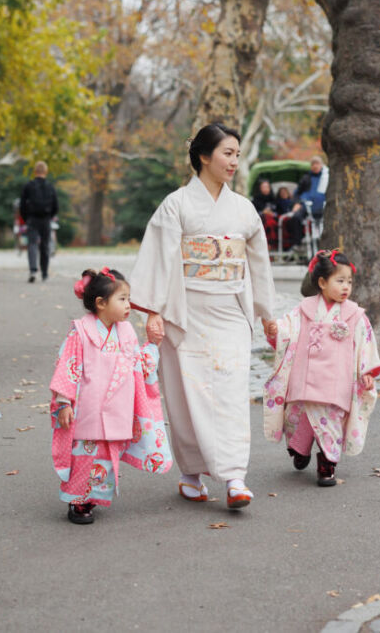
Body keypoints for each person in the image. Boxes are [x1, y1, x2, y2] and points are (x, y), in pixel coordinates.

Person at [130, 122, 276, 510]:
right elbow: (159, 261)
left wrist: (266, 313)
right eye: (227, 153)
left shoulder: (243, 209)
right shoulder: (176, 205)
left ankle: (233, 477)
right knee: (185, 394)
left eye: (237, 155)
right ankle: (191, 472)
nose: (233, 162)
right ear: (204, 156)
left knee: (229, 392)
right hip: (186, 312)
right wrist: (153, 312)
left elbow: (259, 264)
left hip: (229, 310)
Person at [48, 268, 173, 524]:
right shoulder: (80, 331)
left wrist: (152, 346)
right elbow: (68, 367)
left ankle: (92, 497)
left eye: (128, 299)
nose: (128, 305)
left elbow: (138, 365)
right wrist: (63, 402)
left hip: (116, 407)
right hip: (88, 408)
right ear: (101, 303)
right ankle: (78, 501)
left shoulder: (126, 331)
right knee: (84, 454)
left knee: (105, 457)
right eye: (122, 299)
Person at [263, 250, 380, 486]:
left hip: (336, 380)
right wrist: (277, 331)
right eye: (340, 281)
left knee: (331, 420)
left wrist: (367, 372)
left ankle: (327, 462)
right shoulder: (304, 309)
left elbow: (365, 343)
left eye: (349, 281)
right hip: (304, 376)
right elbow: (289, 329)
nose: (346, 287)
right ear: (322, 282)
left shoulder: (355, 316)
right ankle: (300, 447)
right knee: (300, 415)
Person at [19, 161, 59, 283]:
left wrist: (26, 218)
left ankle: (33, 270)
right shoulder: (50, 186)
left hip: (32, 219)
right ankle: (45, 273)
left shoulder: (29, 186)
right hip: (46, 219)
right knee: (45, 246)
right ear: (45, 172)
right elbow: (56, 205)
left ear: (35, 171)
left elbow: (22, 205)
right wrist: (50, 216)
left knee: (32, 244)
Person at [251, 179, 279, 249]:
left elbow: (279, 211)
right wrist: (263, 213)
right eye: (263, 187)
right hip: (262, 224)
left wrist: (272, 214)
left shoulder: (274, 199)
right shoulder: (255, 200)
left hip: (276, 224)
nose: (265, 189)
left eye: (267, 187)